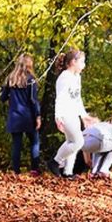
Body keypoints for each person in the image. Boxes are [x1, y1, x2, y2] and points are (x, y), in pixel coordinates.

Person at [47, 48, 88, 178]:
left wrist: (84, 115)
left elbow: (77, 98)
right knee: (78, 142)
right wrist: (58, 116)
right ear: (73, 62)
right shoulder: (64, 77)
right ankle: (55, 161)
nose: (84, 65)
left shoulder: (77, 77)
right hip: (66, 114)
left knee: (71, 142)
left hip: (74, 114)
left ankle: (67, 172)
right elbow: (60, 98)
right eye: (82, 62)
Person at [0, 53, 42, 173]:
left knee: (16, 144)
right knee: (34, 142)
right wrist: (38, 115)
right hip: (28, 116)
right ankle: (34, 169)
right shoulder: (31, 80)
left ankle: (16, 171)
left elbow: (3, 98)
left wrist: (8, 96)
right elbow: (33, 100)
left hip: (15, 116)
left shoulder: (11, 79)